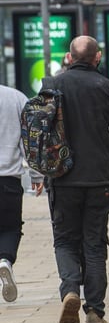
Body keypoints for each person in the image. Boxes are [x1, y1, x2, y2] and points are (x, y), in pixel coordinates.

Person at [48, 35, 109, 323]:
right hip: (99, 180)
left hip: (62, 178)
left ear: (69, 57)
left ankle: (70, 289)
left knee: (65, 240)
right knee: (94, 245)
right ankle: (95, 313)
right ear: (96, 58)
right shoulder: (106, 86)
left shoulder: (52, 85)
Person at [0, 85, 44, 303]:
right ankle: (5, 260)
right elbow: (29, 140)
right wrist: (36, 175)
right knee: (10, 227)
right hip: (8, 178)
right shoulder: (16, 98)